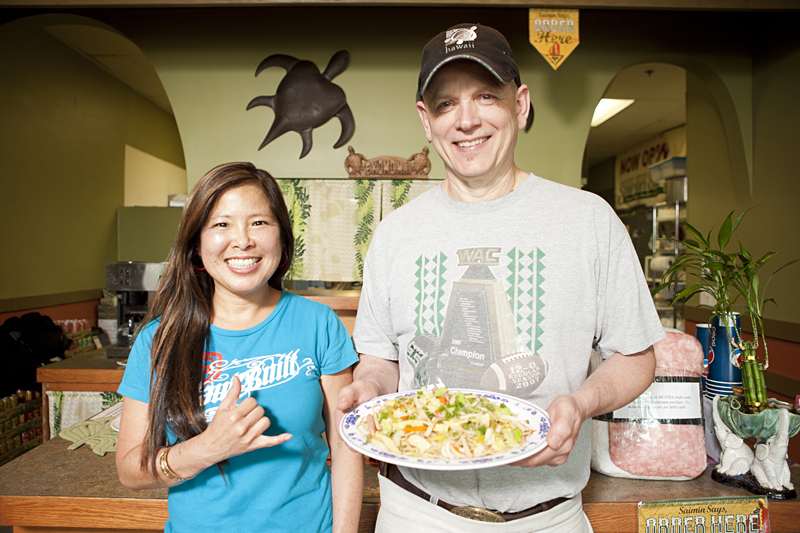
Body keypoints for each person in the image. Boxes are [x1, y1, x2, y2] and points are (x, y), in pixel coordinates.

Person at [336, 23, 665, 533]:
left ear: (521, 105)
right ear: (426, 120)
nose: (466, 120)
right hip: (417, 514)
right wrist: (368, 390)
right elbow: (381, 359)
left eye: (486, 96)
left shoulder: (588, 219)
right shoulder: (394, 234)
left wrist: (581, 403)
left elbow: (636, 357)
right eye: (446, 104)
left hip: (548, 519)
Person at [116, 162, 363, 533]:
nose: (243, 240)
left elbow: (346, 449)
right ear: (197, 245)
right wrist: (208, 448)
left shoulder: (319, 323)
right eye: (221, 224)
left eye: (259, 223)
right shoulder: (158, 341)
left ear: (282, 238)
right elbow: (130, 470)